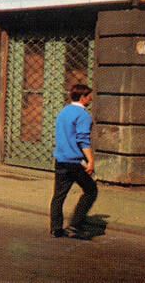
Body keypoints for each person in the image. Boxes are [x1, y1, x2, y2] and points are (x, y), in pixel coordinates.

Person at [50, 84, 97, 240]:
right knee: (91, 190)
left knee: (59, 195)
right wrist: (90, 160)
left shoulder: (63, 112)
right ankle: (74, 226)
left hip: (60, 159)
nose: (90, 98)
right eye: (89, 96)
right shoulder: (83, 115)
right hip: (73, 161)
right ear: (82, 97)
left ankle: (56, 228)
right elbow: (83, 140)